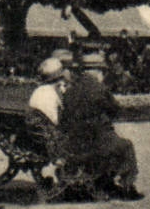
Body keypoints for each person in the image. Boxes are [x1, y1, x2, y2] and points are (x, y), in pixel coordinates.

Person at [58, 50, 143, 200]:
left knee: (109, 142)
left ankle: (104, 181)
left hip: (74, 143)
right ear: (98, 71)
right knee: (125, 146)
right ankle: (127, 186)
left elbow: (65, 117)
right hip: (94, 142)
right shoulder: (98, 88)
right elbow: (115, 110)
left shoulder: (71, 90)